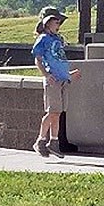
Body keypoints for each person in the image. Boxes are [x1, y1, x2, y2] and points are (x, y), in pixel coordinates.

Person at [31, 13, 81, 158]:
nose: (58, 25)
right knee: (53, 111)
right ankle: (44, 141)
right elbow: (38, 60)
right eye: (56, 22)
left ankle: (50, 141)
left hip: (63, 79)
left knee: (57, 112)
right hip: (53, 81)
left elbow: (58, 60)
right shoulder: (43, 39)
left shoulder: (57, 39)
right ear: (48, 24)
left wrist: (69, 74)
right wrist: (47, 75)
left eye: (59, 23)